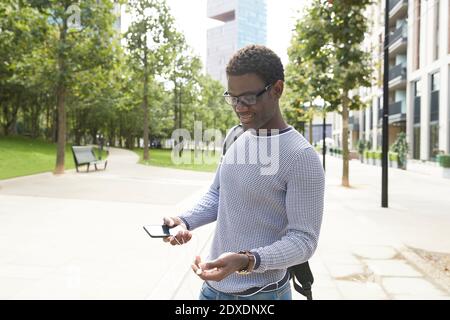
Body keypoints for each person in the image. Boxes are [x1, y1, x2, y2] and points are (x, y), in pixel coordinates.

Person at [163, 45, 325, 300]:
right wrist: (183, 221)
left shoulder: (301, 157)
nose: (239, 107)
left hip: (261, 295)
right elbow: (218, 195)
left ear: (277, 89)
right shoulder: (236, 136)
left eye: (248, 98)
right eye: (233, 97)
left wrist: (248, 260)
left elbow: (304, 241)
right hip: (212, 290)